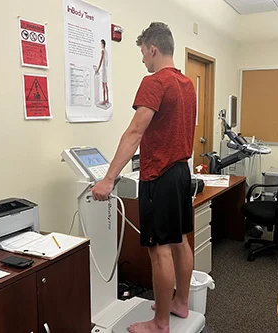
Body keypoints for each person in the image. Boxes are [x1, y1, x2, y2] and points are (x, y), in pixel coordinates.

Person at [91, 22, 197, 333]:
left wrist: (109, 179)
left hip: (160, 175)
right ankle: (180, 302)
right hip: (181, 173)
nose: (142, 60)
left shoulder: (154, 82)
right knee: (179, 241)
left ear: (152, 48)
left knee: (159, 249)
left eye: (142, 53)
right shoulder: (187, 84)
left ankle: (160, 323)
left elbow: (135, 131)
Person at [95, 39, 109, 105]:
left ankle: (104, 100)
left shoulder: (103, 51)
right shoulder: (106, 52)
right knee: (106, 85)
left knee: (103, 85)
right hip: (105, 69)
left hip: (103, 70)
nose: (100, 45)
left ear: (103, 44)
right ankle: (107, 99)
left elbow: (101, 60)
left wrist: (97, 69)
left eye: (101, 44)